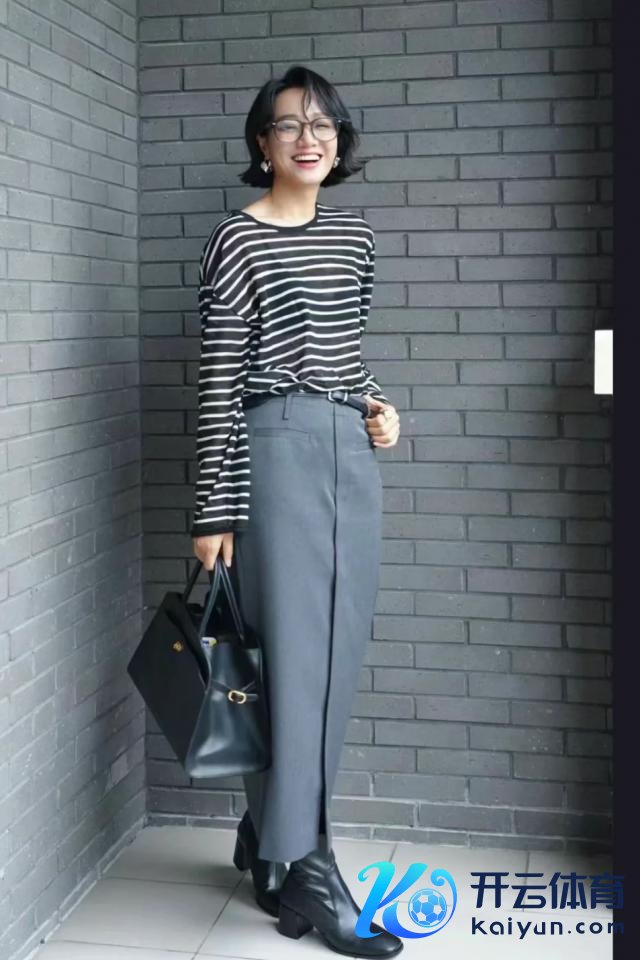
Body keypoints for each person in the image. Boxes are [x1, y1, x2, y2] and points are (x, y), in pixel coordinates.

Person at [191, 65, 402, 958]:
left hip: (349, 452)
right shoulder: (236, 241)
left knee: (332, 663)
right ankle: (309, 867)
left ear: (339, 141)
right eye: (289, 125)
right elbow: (219, 380)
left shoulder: (354, 238)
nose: (308, 139)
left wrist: (378, 403)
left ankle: (267, 838)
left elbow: (345, 354)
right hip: (271, 454)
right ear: (262, 143)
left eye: (323, 125)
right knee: (288, 665)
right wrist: (212, 511)